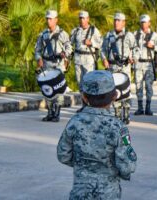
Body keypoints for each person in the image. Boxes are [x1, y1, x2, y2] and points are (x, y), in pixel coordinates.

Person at [57, 70, 137, 200]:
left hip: (80, 193)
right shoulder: (117, 127)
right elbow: (127, 165)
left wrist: (83, 166)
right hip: (108, 194)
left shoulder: (74, 122)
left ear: (84, 97)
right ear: (115, 96)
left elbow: (63, 155)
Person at [35, 10, 72, 122]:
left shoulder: (62, 34)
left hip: (58, 64)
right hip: (47, 64)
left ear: (56, 20)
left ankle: (57, 113)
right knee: (48, 90)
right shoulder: (43, 35)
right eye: (47, 19)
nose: (48, 21)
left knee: (58, 90)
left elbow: (69, 48)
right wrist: (39, 59)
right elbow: (37, 50)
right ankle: (50, 112)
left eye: (51, 19)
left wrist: (64, 54)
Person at [101, 12, 139, 124]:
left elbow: (136, 49)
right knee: (114, 91)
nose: (116, 22)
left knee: (126, 91)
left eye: (119, 20)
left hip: (125, 66)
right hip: (112, 67)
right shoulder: (108, 35)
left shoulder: (129, 35)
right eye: (115, 20)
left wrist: (134, 58)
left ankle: (126, 114)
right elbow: (103, 49)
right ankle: (117, 113)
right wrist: (104, 59)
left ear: (123, 23)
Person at [70, 10, 102, 112]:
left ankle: (91, 106)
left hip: (89, 60)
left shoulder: (94, 30)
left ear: (88, 19)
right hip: (78, 59)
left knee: (89, 84)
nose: (82, 20)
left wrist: (91, 42)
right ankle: (84, 105)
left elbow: (101, 43)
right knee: (80, 84)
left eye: (84, 18)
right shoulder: (75, 31)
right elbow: (69, 45)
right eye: (80, 18)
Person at [134, 14, 157, 116]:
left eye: (145, 22)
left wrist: (153, 46)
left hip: (149, 64)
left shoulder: (154, 35)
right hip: (138, 63)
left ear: (149, 23)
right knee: (138, 86)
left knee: (148, 86)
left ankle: (148, 107)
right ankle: (140, 108)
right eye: (142, 22)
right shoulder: (135, 34)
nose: (143, 24)